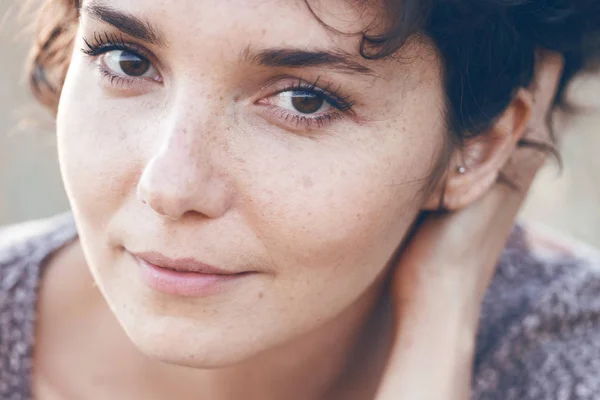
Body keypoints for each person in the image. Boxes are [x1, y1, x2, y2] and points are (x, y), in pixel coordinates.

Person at [1, 0, 599, 399]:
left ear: (485, 145)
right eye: (126, 60)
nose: (169, 188)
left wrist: (442, 314)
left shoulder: (567, 360)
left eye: (304, 101)